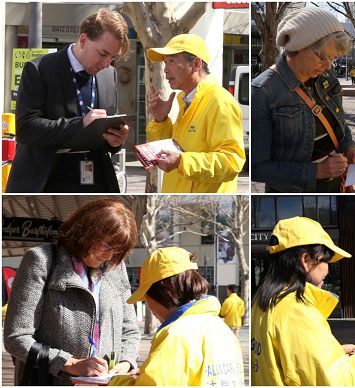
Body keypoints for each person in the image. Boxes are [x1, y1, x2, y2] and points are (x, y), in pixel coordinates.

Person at [4, 199, 140, 385]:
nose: (109, 255)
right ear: (85, 232)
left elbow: (130, 330)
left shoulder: (116, 268)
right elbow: (16, 338)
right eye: (106, 245)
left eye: (118, 250)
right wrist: (68, 363)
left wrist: (125, 363)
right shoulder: (41, 260)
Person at [252, 216, 355, 385]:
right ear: (306, 260)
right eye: (326, 260)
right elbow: (341, 382)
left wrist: (333, 353)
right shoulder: (297, 312)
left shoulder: (262, 302)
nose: (328, 268)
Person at [6, 9, 130, 193]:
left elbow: (106, 126)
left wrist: (116, 139)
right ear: (83, 40)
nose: (106, 64)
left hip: (97, 179)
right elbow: (26, 129)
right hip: (47, 180)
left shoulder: (109, 74)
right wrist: (80, 124)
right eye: (103, 54)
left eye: (113, 57)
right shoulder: (39, 69)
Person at [252, 8, 355, 193]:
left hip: (336, 186)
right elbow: (257, 168)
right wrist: (316, 171)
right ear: (300, 45)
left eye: (332, 59)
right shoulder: (263, 91)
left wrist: (348, 146)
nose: (327, 66)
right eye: (322, 57)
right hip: (293, 192)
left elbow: (340, 125)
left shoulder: (328, 80)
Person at [109, 247, 244, 386]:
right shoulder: (222, 329)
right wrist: (148, 371)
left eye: (145, 298)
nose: (149, 306)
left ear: (161, 293)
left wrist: (114, 381)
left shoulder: (176, 335)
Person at [146, 34, 245, 193]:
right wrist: (160, 119)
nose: (166, 69)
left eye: (172, 61)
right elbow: (171, 152)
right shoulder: (185, 100)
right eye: (165, 62)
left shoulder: (220, 101)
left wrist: (182, 161)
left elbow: (231, 162)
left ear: (196, 63)